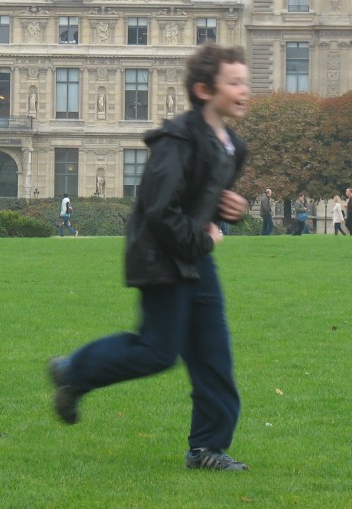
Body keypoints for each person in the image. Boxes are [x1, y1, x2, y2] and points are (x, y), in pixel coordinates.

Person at [47, 44, 251, 471]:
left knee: (214, 355)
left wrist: (233, 209)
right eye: (234, 83)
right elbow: (159, 207)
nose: (244, 90)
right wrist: (204, 240)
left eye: (244, 82)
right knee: (157, 352)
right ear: (203, 89)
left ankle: (206, 449)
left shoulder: (231, 145)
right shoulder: (176, 140)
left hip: (195, 259)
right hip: (161, 260)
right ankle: (73, 371)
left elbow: (199, 200)